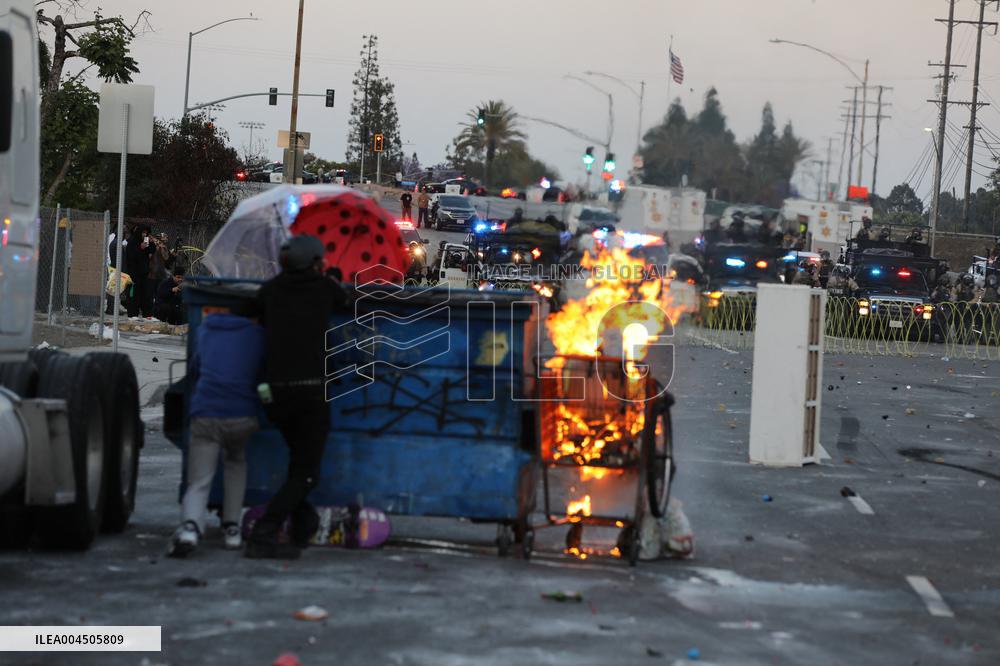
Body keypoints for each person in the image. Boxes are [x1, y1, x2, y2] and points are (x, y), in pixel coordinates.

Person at [245, 235, 350, 559]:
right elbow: (346, 301)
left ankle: (303, 524)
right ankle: (265, 531)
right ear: (316, 262)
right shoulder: (323, 288)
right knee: (307, 473)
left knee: (298, 463)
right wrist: (333, 280)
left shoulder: (271, 290)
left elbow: (254, 310)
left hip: (274, 396)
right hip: (309, 395)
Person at [168, 301, 265, 558]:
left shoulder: (208, 328)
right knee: (236, 462)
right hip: (241, 415)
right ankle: (232, 527)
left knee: (200, 478)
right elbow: (261, 377)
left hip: (206, 412)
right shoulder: (257, 335)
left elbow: (195, 370)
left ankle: (190, 526)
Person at [125, 225, 155, 317]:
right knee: (134, 297)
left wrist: (152, 243)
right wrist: (140, 248)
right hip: (134, 275)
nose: (144, 234)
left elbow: (152, 251)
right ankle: (133, 315)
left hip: (144, 274)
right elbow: (131, 257)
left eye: (146, 233)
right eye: (143, 232)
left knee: (146, 296)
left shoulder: (145, 242)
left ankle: (147, 315)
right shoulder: (132, 242)